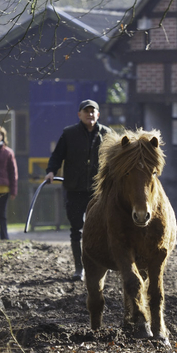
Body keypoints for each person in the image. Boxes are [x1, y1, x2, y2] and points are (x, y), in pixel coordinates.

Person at [45, 99, 112, 281]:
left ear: (98, 115)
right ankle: (79, 268)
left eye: (93, 111)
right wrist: (51, 171)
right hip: (75, 188)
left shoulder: (107, 135)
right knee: (77, 228)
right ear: (79, 115)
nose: (90, 114)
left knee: (104, 228)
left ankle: (104, 264)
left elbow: (115, 160)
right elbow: (57, 156)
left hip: (98, 190)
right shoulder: (69, 134)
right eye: (86, 111)